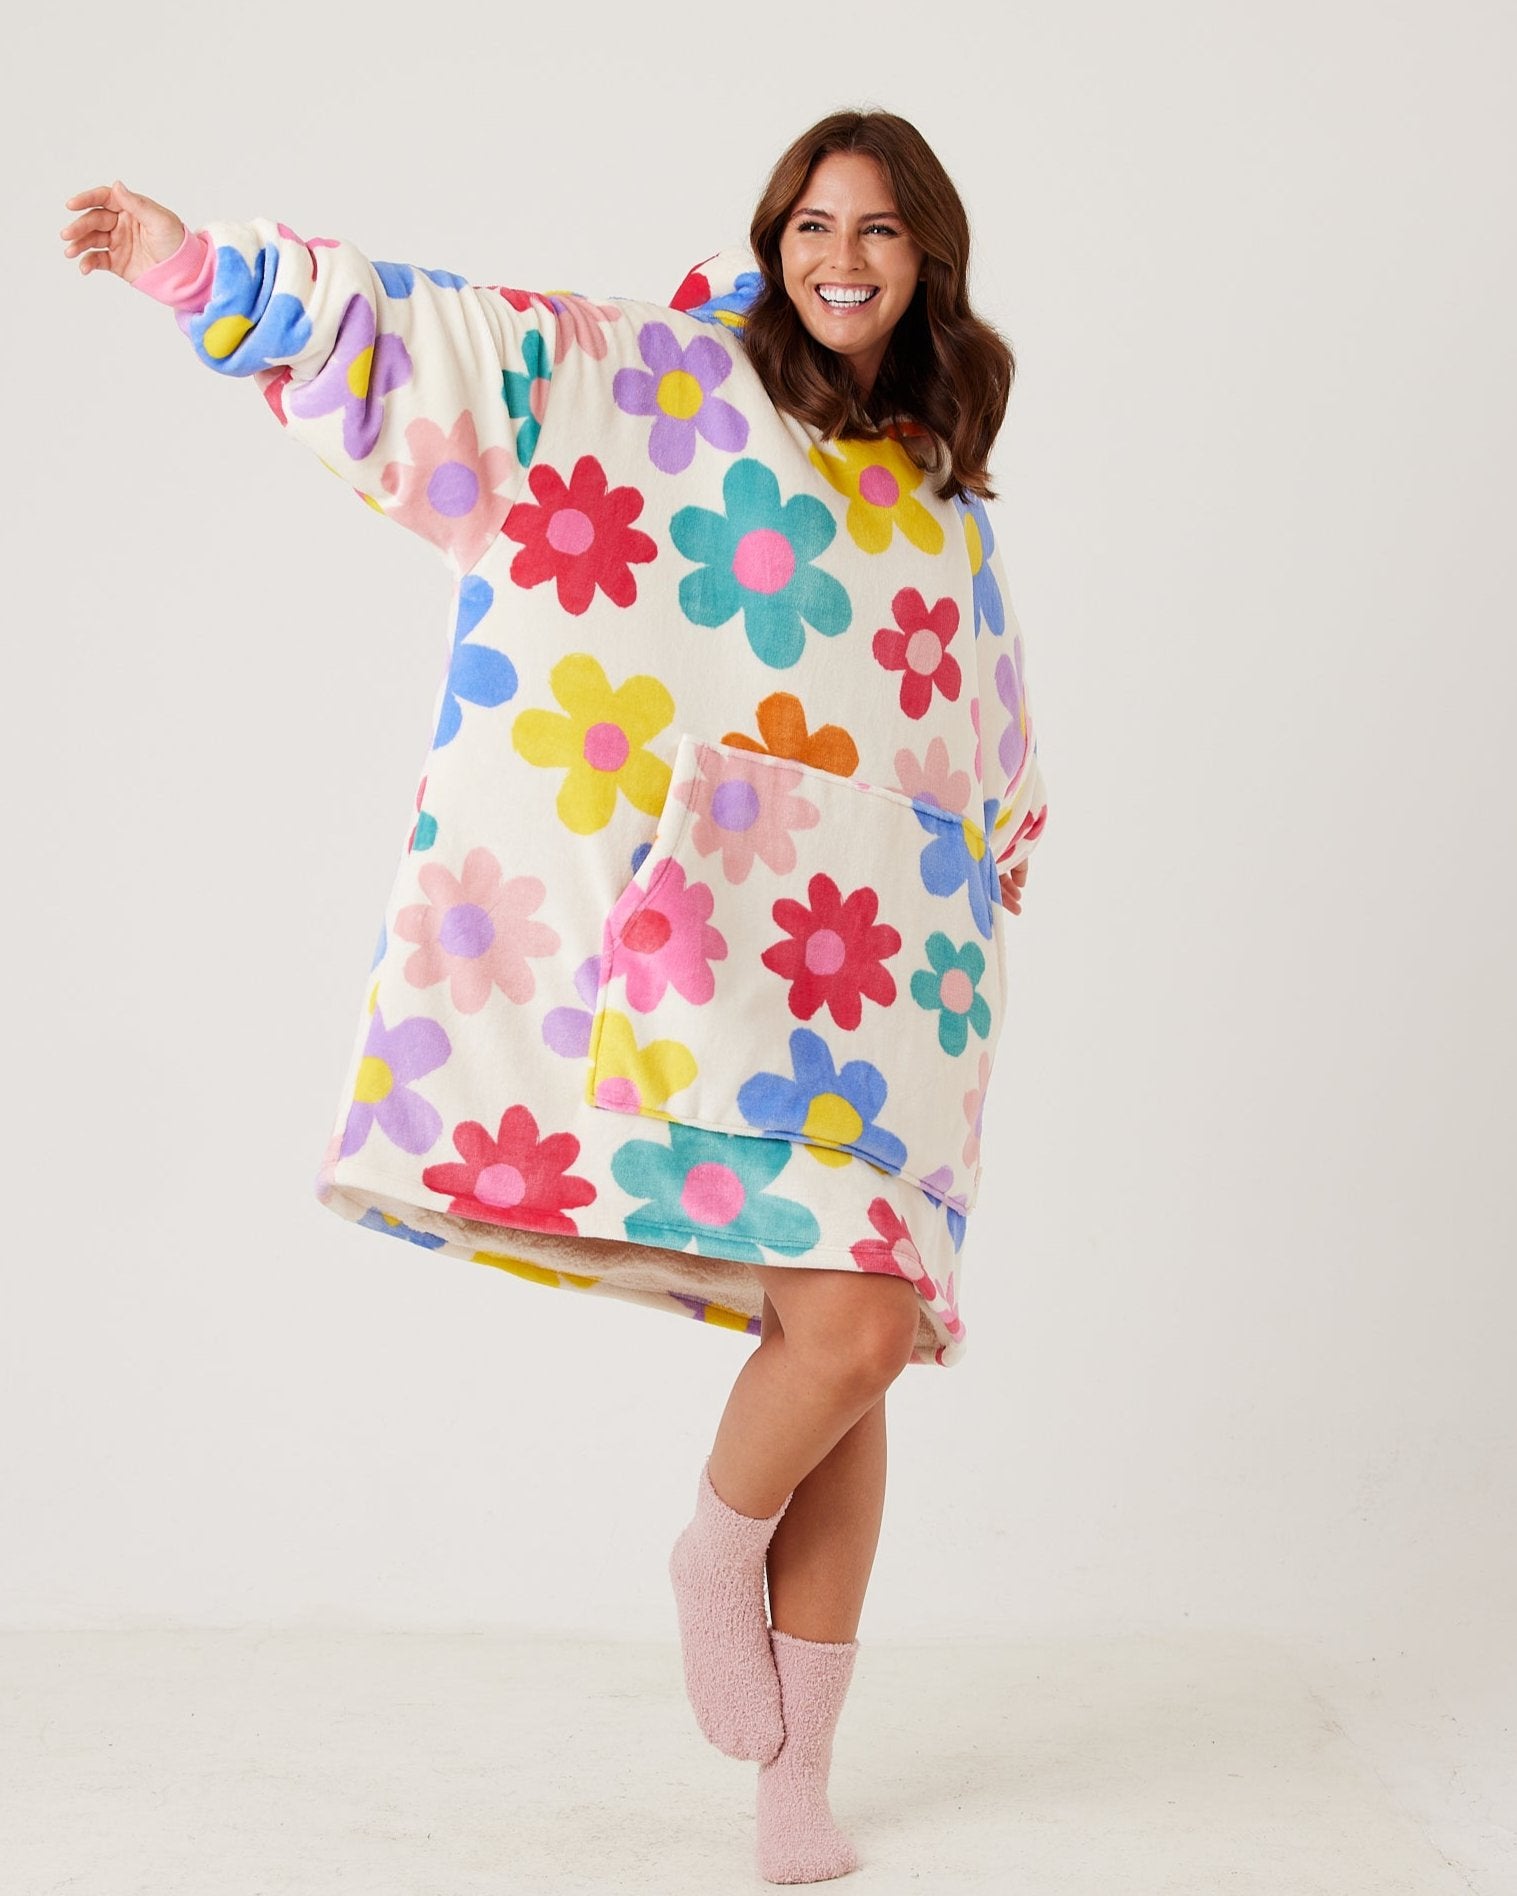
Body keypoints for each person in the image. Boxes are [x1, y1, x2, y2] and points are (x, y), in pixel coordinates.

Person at [61, 105, 1047, 1885]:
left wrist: (999, 868)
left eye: (878, 232)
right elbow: (460, 354)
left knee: (861, 1342)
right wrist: (198, 269)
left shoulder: (941, 487)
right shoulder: (667, 383)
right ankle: (713, 1546)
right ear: (775, 242)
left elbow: (979, 721)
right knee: (840, 1336)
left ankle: (794, 1784)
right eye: (812, 226)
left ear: (926, 260)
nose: (841, 259)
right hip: (720, 931)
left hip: (888, 958)